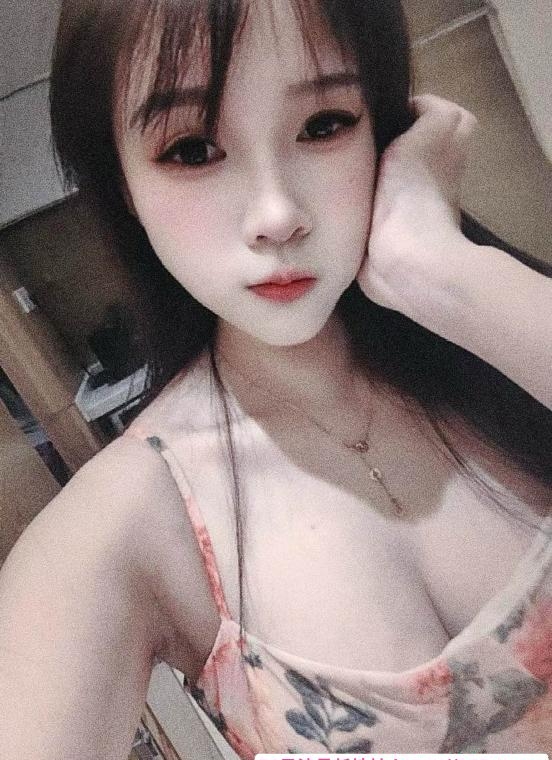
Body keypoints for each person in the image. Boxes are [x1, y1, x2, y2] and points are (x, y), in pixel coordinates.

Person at [1, 0, 551, 757]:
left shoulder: (501, 340)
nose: (276, 214)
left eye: (324, 125)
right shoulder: (124, 528)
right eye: (193, 149)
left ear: (384, 126)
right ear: (122, 185)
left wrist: (443, 272)